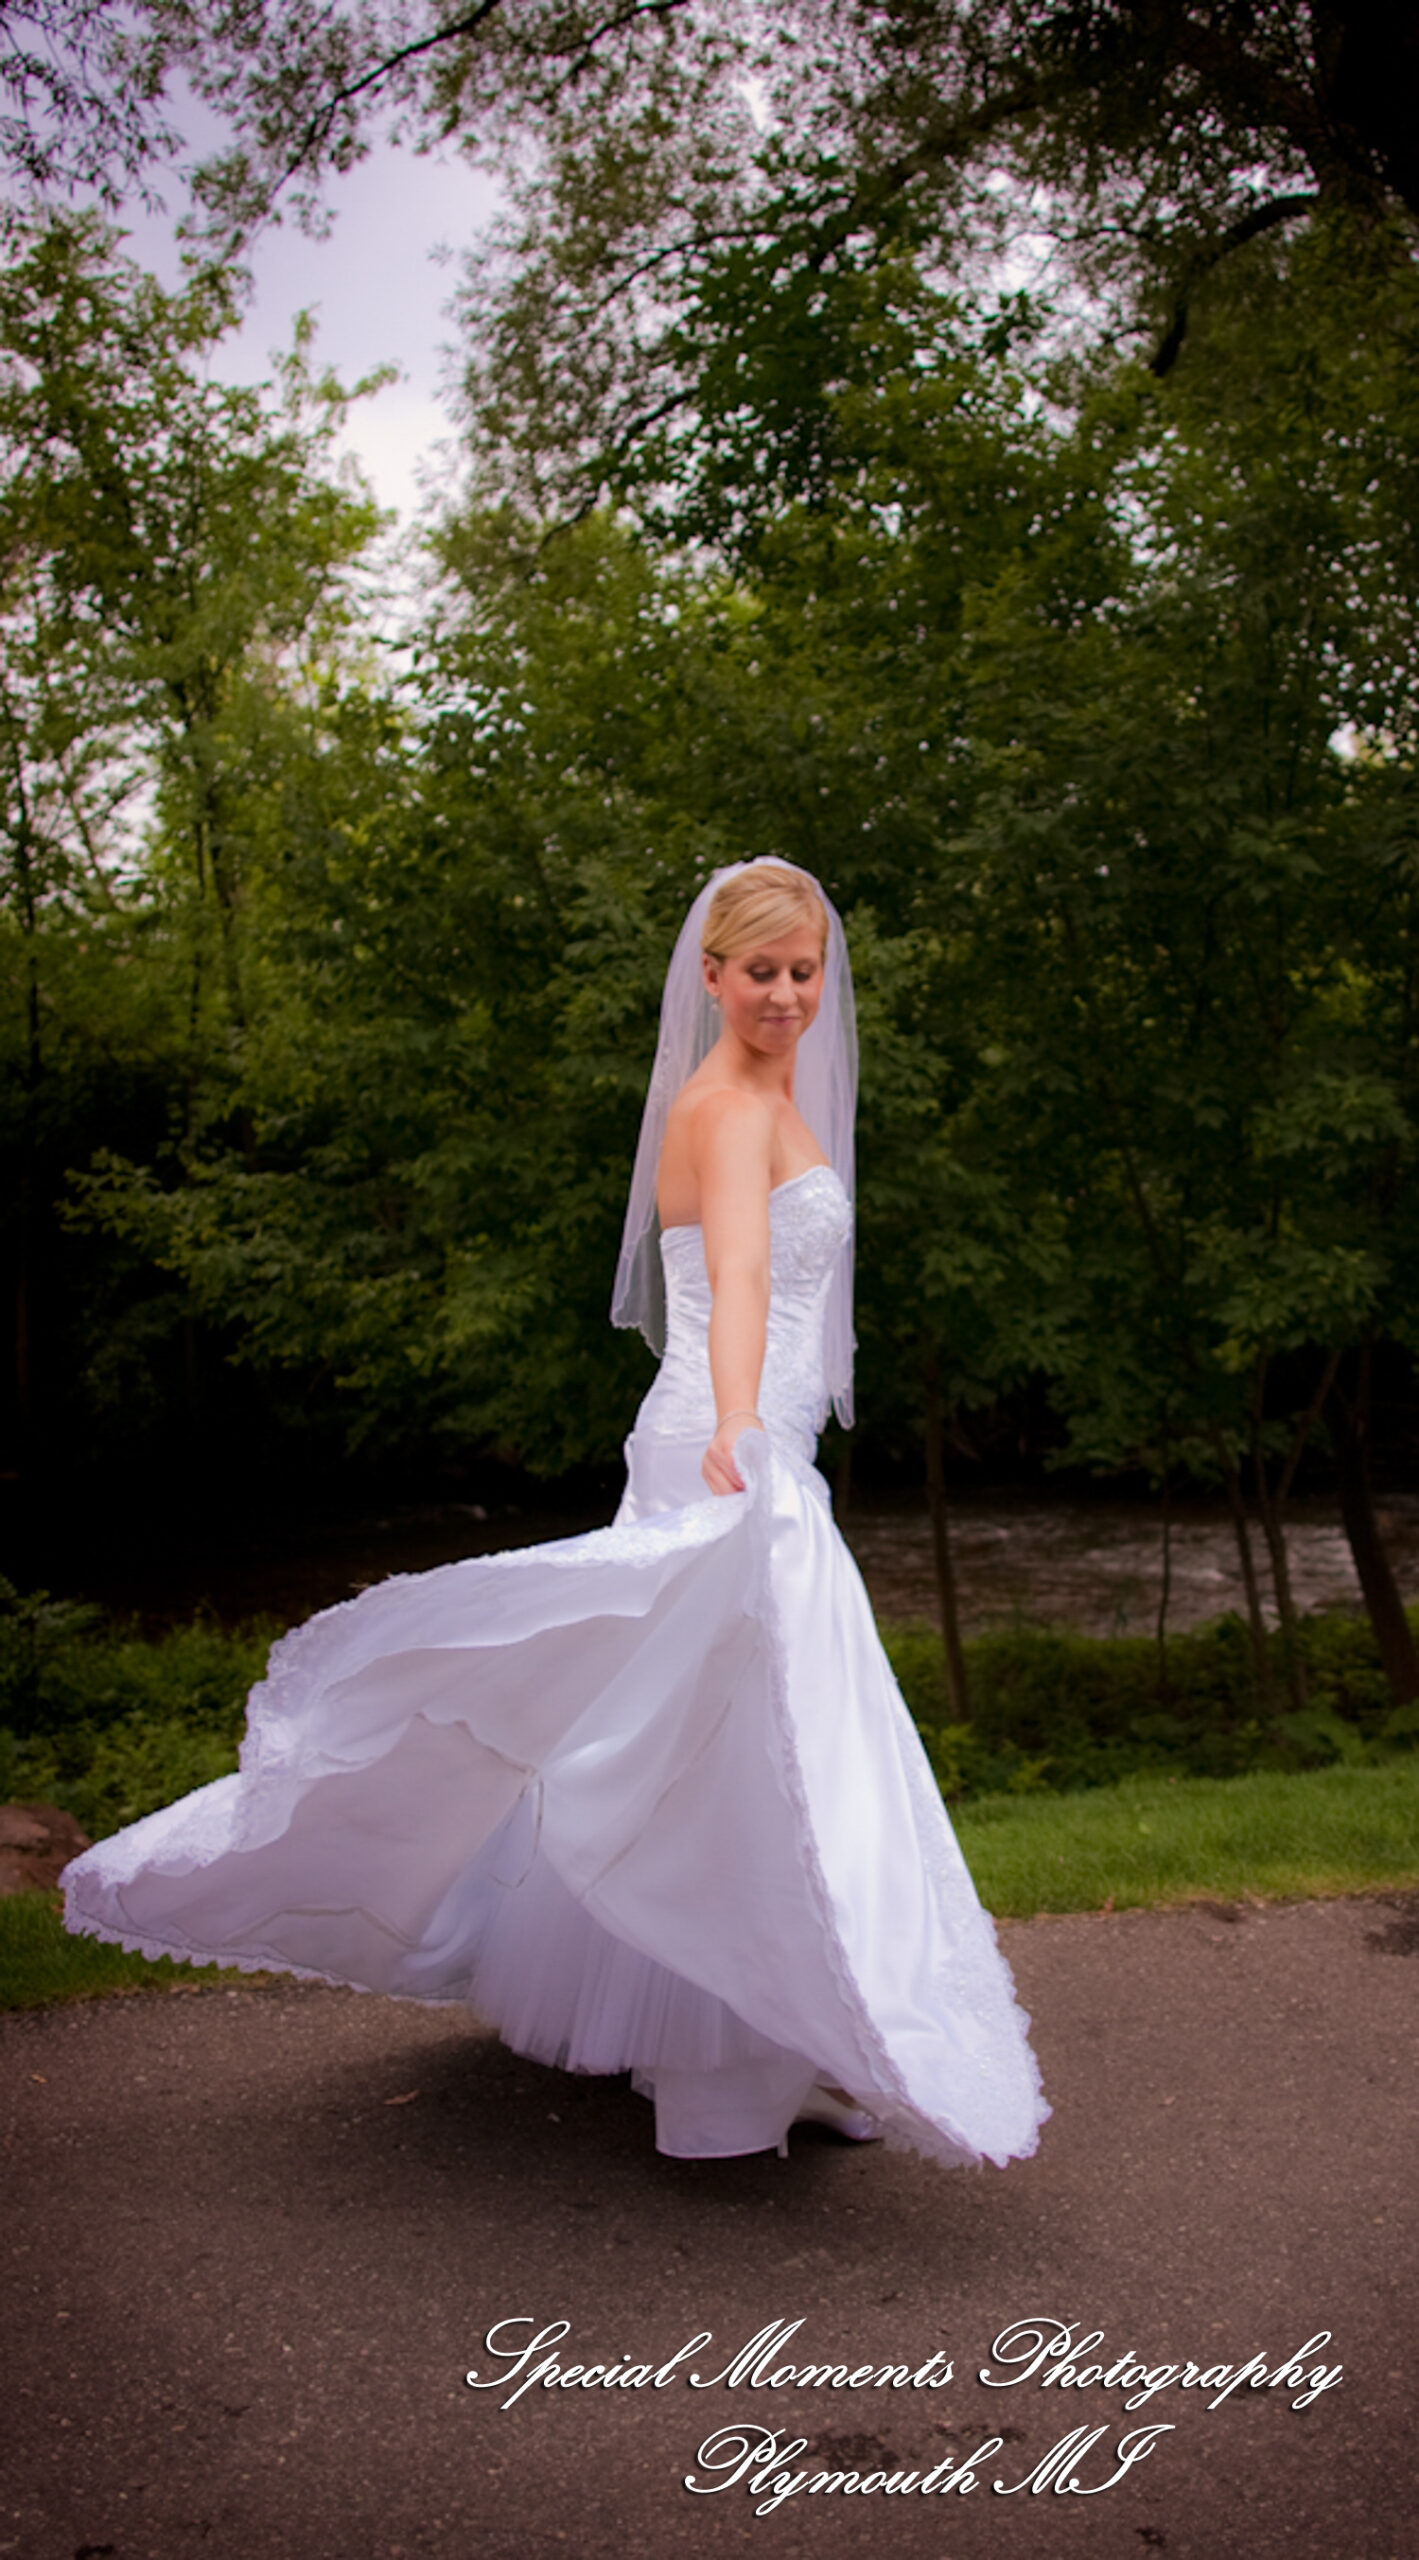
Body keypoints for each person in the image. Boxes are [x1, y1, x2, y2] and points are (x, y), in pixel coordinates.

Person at [63, 858, 1047, 2168]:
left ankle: (761, 2044)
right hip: (728, 1446)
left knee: (733, 1742)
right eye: (761, 971)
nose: (787, 994)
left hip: (742, 1437)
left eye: (804, 971)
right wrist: (744, 1428)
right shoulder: (726, 1106)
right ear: (712, 977)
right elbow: (740, 1279)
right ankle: (731, 2073)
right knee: (745, 1748)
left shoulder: (766, 1094)